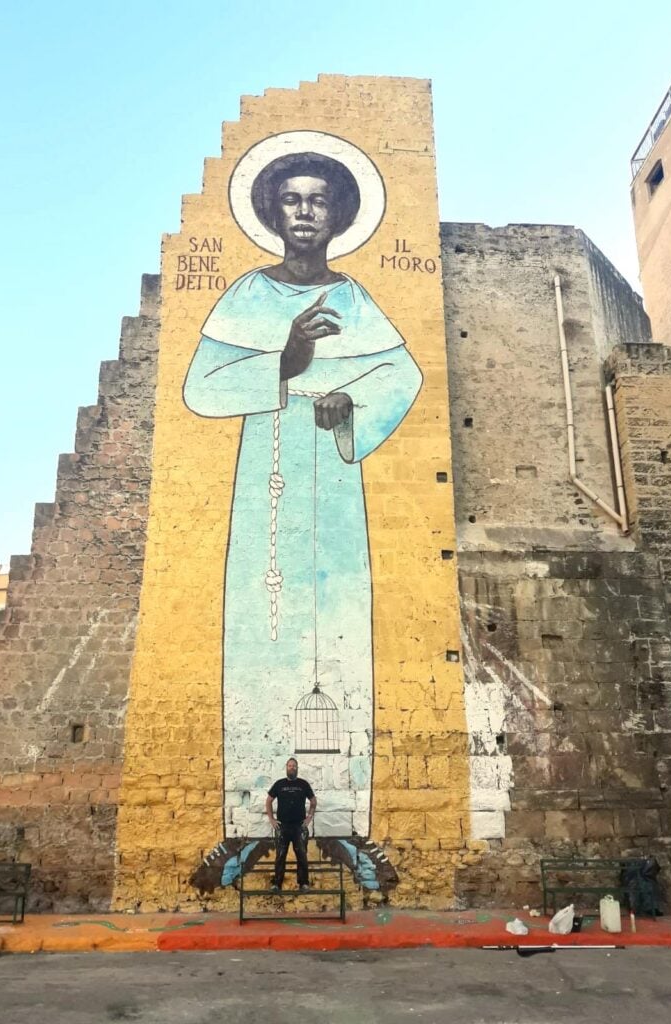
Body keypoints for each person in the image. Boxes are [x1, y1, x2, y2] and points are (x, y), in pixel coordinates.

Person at [184, 148, 422, 838]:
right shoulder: (246, 296)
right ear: (272, 212)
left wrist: (347, 402)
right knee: (261, 627)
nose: (306, 211)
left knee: (344, 629)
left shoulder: (354, 300)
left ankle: (347, 825)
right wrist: (284, 362)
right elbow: (200, 387)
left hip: (338, 483)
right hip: (267, 480)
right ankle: (244, 825)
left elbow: (401, 377)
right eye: (293, 199)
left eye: (320, 200)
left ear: (340, 214)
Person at [266, 758, 316, 891]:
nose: (292, 767)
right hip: (282, 827)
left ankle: (303, 883)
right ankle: (277, 884)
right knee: (280, 855)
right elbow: (268, 801)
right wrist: (271, 819)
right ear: (286, 767)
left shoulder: (303, 784)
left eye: (294, 766)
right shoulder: (279, 784)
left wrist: (309, 818)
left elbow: (313, 801)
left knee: (302, 855)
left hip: (299, 827)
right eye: (290, 765)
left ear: (297, 768)